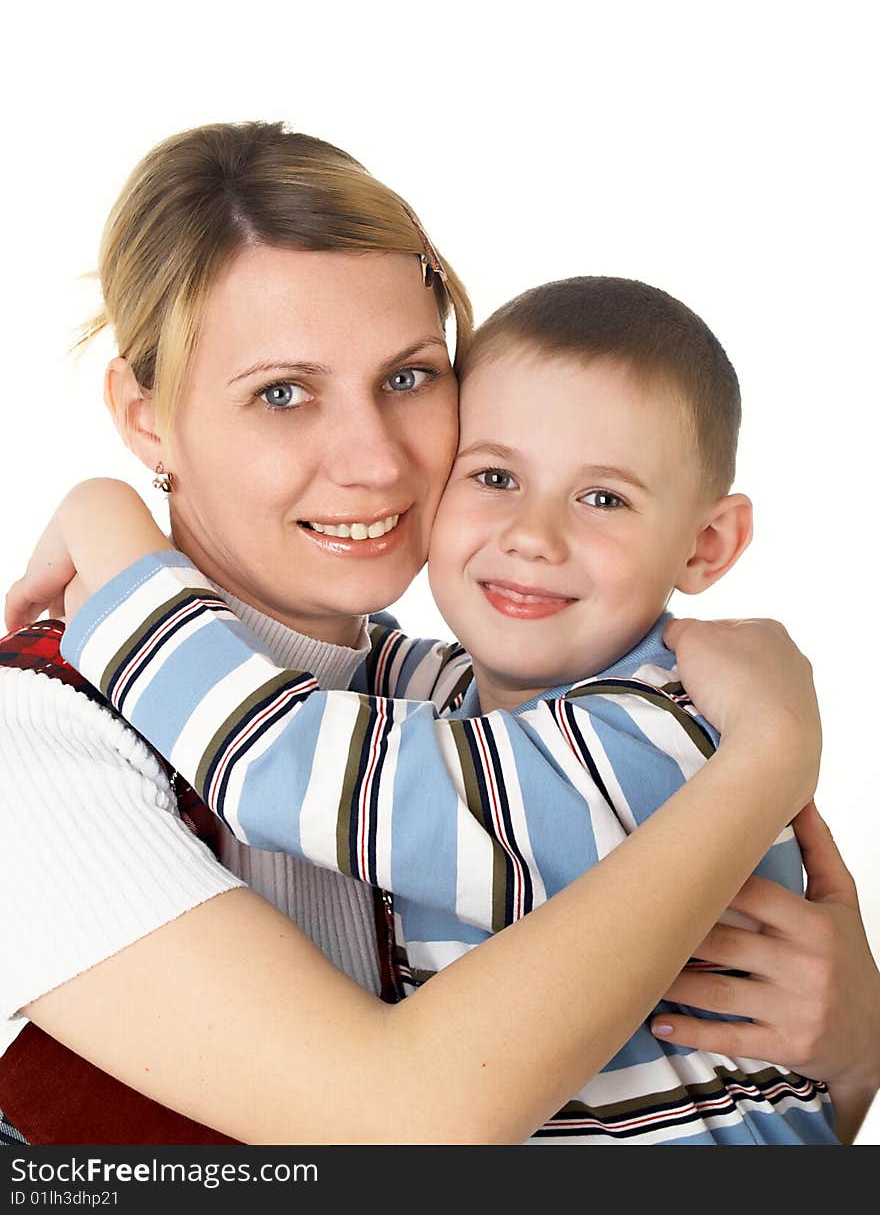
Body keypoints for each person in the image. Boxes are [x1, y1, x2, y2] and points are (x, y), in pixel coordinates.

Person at [0, 122, 877, 1145]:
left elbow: (721, 1104)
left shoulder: (461, 700)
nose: (372, 459)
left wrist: (854, 1041)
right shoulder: (39, 735)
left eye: (410, 376)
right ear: (145, 417)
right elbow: (402, 1128)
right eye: (282, 393)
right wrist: (770, 756)